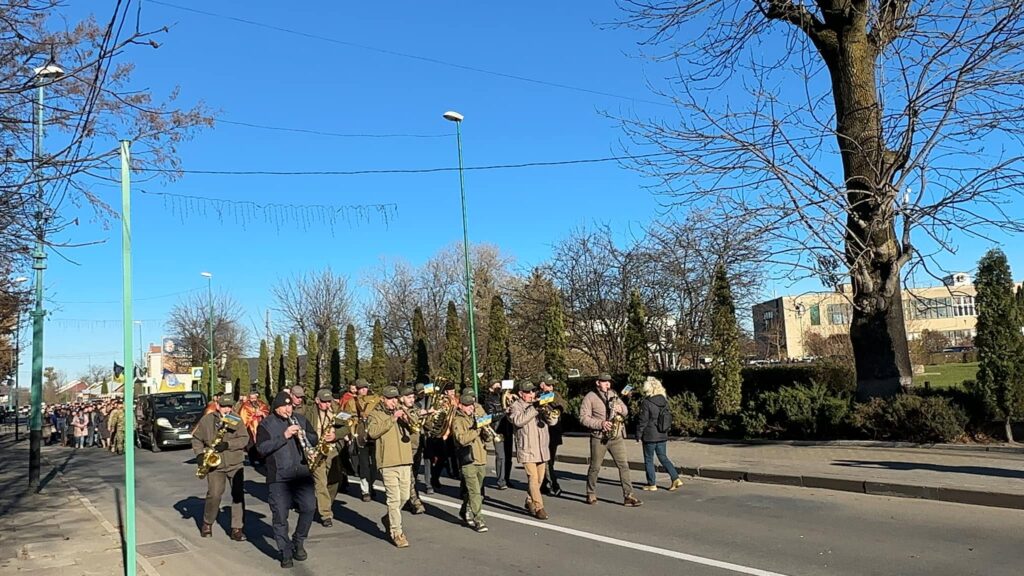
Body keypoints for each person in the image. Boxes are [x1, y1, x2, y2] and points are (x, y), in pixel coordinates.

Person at [257, 391, 327, 568]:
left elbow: (314, 438)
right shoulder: (266, 424)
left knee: (309, 507)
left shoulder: (300, 419)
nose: (288, 409)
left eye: (290, 406)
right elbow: (261, 449)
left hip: (302, 473)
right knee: (280, 515)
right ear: (276, 407)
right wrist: (285, 435)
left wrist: (304, 434)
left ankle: (299, 540)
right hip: (279, 477)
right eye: (284, 406)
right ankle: (285, 551)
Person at [192, 393, 250, 540]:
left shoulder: (236, 419)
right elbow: (197, 438)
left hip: (235, 463)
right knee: (214, 494)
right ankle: (207, 522)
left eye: (229, 406)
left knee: (238, 495)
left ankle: (237, 528)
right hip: (215, 465)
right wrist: (199, 455)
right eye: (223, 406)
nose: (226, 409)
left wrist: (228, 445)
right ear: (217, 406)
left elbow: (245, 439)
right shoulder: (207, 420)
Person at [579, 374, 642, 507]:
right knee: (595, 467)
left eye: (609, 382)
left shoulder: (613, 394)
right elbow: (583, 418)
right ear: (598, 382)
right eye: (605, 382)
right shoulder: (590, 397)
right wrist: (600, 424)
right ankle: (590, 493)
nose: (608, 384)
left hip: (616, 436)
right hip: (599, 438)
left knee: (624, 466)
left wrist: (621, 410)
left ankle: (628, 495)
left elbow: (625, 410)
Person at [366, 385, 413, 548]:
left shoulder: (403, 411)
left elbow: (415, 429)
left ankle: (389, 518)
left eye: (396, 398)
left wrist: (407, 421)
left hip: (405, 459)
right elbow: (372, 432)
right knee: (393, 500)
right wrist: (392, 418)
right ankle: (397, 532)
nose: (394, 401)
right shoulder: (375, 414)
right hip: (388, 462)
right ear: (383, 399)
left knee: (405, 497)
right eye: (391, 399)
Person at [508, 380, 551, 520]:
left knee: (539, 479)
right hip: (527, 447)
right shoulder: (516, 406)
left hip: (541, 447)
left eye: (533, 391)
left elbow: (553, 421)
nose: (531, 394)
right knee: (532, 478)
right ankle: (539, 507)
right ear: (521, 394)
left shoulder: (538, 404)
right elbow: (518, 421)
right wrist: (534, 409)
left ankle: (529, 500)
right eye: (528, 392)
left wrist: (548, 412)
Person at [637, 376, 684, 491]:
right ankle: (675, 478)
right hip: (662, 433)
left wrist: (638, 434)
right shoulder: (664, 401)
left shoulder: (646, 402)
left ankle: (651, 484)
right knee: (663, 457)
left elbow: (643, 420)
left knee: (649, 459)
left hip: (649, 435)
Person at [305, 388, 344, 527]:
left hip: (332, 450)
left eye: (329, 401)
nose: (327, 404)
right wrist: (309, 451)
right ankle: (326, 514)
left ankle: (326, 503)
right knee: (321, 483)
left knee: (334, 481)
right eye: (324, 402)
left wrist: (336, 436)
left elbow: (346, 426)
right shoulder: (309, 413)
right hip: (316, 451)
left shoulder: (336, 411)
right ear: (317, 401)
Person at [451, 390, 489, 532]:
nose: (470, 408)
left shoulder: (476, 417)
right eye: (467, 406)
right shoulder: (458, 420)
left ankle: (463, 509)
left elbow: (488, 438)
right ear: (460, 405)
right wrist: (477, 430)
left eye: (472, 405)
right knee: (475, 492)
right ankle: (478, 519)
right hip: (468, 460)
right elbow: (461, 439)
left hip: (481, 458)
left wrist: (485, 430)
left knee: (476, 489)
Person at [341, 379, 379, 501]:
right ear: (356, 389)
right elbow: (345, 417)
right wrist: (350, 430)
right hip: (359, 435)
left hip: (374, 434)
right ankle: (365, 490)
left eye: (365, 387)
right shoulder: (351, 402)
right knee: (363, 465)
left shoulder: (376, 400)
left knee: (375, 464)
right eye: (361, 388)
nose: (364, 390)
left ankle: (371, 485)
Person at [537, 373, 569, 496]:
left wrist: (556, 408)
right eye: (548, 385)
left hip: (553, 432)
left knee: (550, 461)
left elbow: (563, 405)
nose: (551, 387)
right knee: (547, 461)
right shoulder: (536, 396)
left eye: (552, 385)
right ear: (542, 385)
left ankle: (544, 484)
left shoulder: (555, 395)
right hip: (542, 431)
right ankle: (554, 485)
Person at [399, 385, 426, 514]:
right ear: (401, 398)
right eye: (408, 397)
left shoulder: (416, 408)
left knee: (413, 475)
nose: (412, 399)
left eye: (413, 397)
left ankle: (407, 501)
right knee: (409, 477)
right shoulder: (398, 410)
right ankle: (415, 502)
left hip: (417, 446)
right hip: (405, 448)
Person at [484, 381, 513, 490]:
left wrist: (511, 402)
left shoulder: (504, 396)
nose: (499, 388)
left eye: (499, 386)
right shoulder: (489, 400)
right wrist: (504, 411)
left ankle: (507, 478)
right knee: (501, 456)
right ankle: (501, 481)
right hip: (497, 430)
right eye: (495, 386)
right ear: (490, 389)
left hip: (508, 429)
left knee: (509, 456)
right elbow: (491, 416)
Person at [236, 390, 270, 466]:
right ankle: (252, 459)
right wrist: (252, 416)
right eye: (251, 398)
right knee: (251, 444)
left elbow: (267, 411)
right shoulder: (245, 405)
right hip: (250, 427)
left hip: (261, 426)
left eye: (255, 398)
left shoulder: (261, 404)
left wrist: (262, 413)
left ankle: (262, 459)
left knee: (262, 442)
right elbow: (243, 416)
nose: (253, 400)